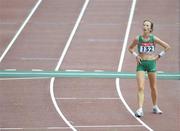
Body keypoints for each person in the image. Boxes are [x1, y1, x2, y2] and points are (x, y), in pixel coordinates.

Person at [128, 19, 171, 117]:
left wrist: (159, 56)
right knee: (141, 87)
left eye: (147, 25)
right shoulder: (137, 39)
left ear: (150, 29)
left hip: (152, 64)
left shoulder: (153, 38)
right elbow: (130, 48)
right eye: (144, 25)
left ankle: (155, 106)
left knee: (153, 87)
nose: (145, 27)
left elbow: (167, 47)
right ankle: (140, 109)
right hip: (141, 64)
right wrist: (136, 55)